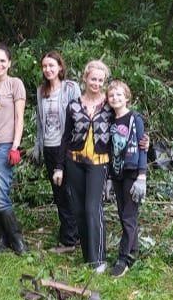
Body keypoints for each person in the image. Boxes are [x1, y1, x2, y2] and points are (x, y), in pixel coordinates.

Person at [56, 59, 114, 272]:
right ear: (85, 78)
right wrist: (59, 167)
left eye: (100, 80)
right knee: (79, 210)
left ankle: (99, 259)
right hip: (75, 162)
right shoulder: (74, 105)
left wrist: (142, 139)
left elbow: (127, 123)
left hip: (99, 163)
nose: (96, 83)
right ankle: (88, 257)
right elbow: (65, 137)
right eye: (93, 79)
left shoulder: (109, 106)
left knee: (92, 209)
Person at [32, 50, 81, 253]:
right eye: (44, 66)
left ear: (60, 67)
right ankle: (71, 236)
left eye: (51, 65)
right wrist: (38, 146)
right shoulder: (41, 90)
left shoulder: (70, 88)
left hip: (66, 148)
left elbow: (79, 117)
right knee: (59, 193)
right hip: (49, 148)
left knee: (69, 192)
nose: (48, 69)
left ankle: (70, 239)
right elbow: (40, 122)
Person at [0, 43, 28, 254]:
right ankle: (2, 238)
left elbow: (19, 117)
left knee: (0, 197)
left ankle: (17, 240)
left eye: (3, 60)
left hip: (3, 148)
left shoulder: (15, 84)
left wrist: (15, 146)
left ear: (9, 63)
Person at [106, 80, 147, 278]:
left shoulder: (135, 118)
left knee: (129, 216)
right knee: (124, 215)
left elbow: (142, 146)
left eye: (119, 95)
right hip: (117, 173)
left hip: (132, 172)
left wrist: (142, 175)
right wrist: (108, 177)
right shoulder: (110, 120)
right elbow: (109, 149)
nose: (115, 98)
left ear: (127, 97)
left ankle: (122, 260)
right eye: (111, 95)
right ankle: (133, 253)